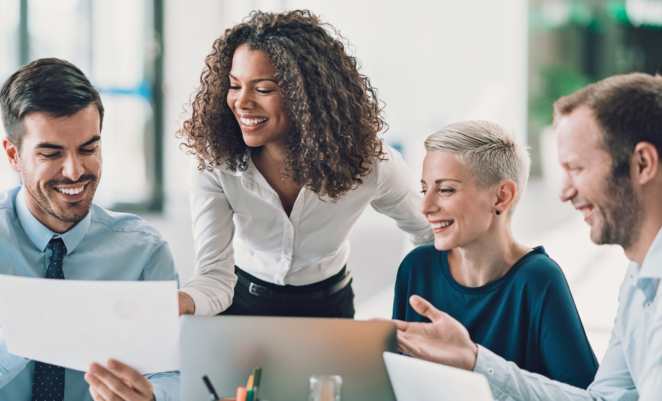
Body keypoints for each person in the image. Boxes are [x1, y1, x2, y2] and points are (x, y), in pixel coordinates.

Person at [0, 58, 179, 401]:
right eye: (51, 153)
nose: (75, 171)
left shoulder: (144, 252)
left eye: (88, 148)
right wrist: (22, 336)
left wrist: (154, 397)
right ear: (13, 154)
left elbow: (173, 374)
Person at [393, 73, 662, 400]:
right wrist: (475, 363)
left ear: (643, 164)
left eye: (576, 168)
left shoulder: (540, 278)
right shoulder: (638, 281)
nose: (563, 192)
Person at [176, 10, 433, 318]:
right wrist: (183, 302)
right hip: (241, 300)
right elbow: (214, 277)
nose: (241, 102)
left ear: (305, 96)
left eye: (263, 89)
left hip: (328, 306)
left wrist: (412, 300)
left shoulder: (370, 164)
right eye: (234, 85)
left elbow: (429, 234)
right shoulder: (215, 162)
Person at [393, 120, 598, 388]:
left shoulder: (538, 280)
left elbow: (582, 393)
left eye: (445, 190)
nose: (425, 206)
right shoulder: (417, 267)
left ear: (501, 197)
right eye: (424, 189)